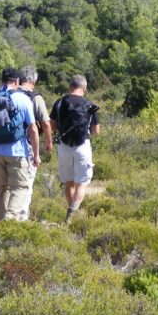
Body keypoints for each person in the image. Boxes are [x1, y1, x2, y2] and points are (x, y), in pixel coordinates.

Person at [0, 67, 40, 221]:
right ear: (17, 81)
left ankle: (1, 222)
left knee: (1, 188)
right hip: (17, 151)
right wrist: (36, 155)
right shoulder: (23, 99)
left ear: (2, 80)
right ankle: (10, 218)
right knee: (19, 187)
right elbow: (32, 128)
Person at [50, 74, 100, 222]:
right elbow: (96, 131)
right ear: (84, 88)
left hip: (63, 146)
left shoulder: (59, 103)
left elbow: (51, 125)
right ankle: (72, 214)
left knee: (69, 183)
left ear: (70, 86)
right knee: (82, 182)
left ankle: (71, 215)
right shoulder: (89, 104)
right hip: (82, 145)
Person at [17, 66, 53, 220]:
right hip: (27, 145)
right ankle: (22, 217)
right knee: (26, 182)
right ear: (34, 80)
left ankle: (6, 217)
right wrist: (49, 142)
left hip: (2, 146)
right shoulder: (35, 98)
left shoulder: (8, 94)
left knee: (7, 185)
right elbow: (45, 123)